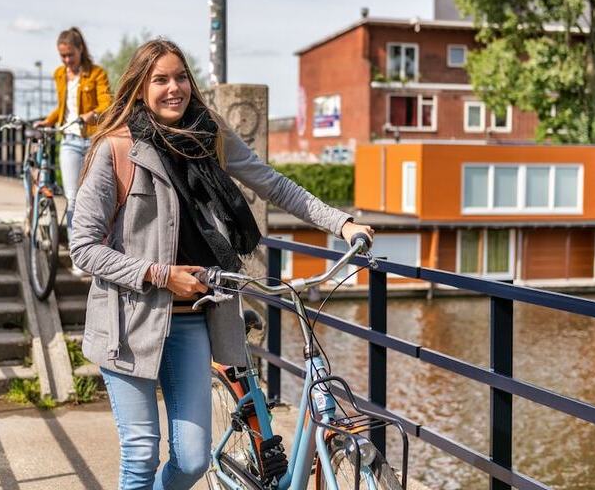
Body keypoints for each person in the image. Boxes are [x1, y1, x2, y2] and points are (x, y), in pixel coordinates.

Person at [70, 39, 373, 489]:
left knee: (192, 461)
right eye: (160, 80)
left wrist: (341, 222)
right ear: (139, 88)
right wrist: (159, 274)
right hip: (128, 322)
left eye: (180, 78)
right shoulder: (115, 149)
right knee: (140, 455)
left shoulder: (207, 132)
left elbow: (271, 182)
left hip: (193, 319)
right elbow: (82, 247)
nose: (174, 89)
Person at [35, 26, 111, 256]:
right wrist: (48, 122)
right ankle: (78, 252)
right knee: (73, 197)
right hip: (69, 140)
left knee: (97, 196)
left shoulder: (97, 73)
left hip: (92, 140)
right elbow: (63, 107)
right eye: (62, 56)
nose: (67, 60)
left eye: (70, 55)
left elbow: (107, 103)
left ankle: (100, 249)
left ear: (81, 50)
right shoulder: (59, 74)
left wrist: (91, 115)